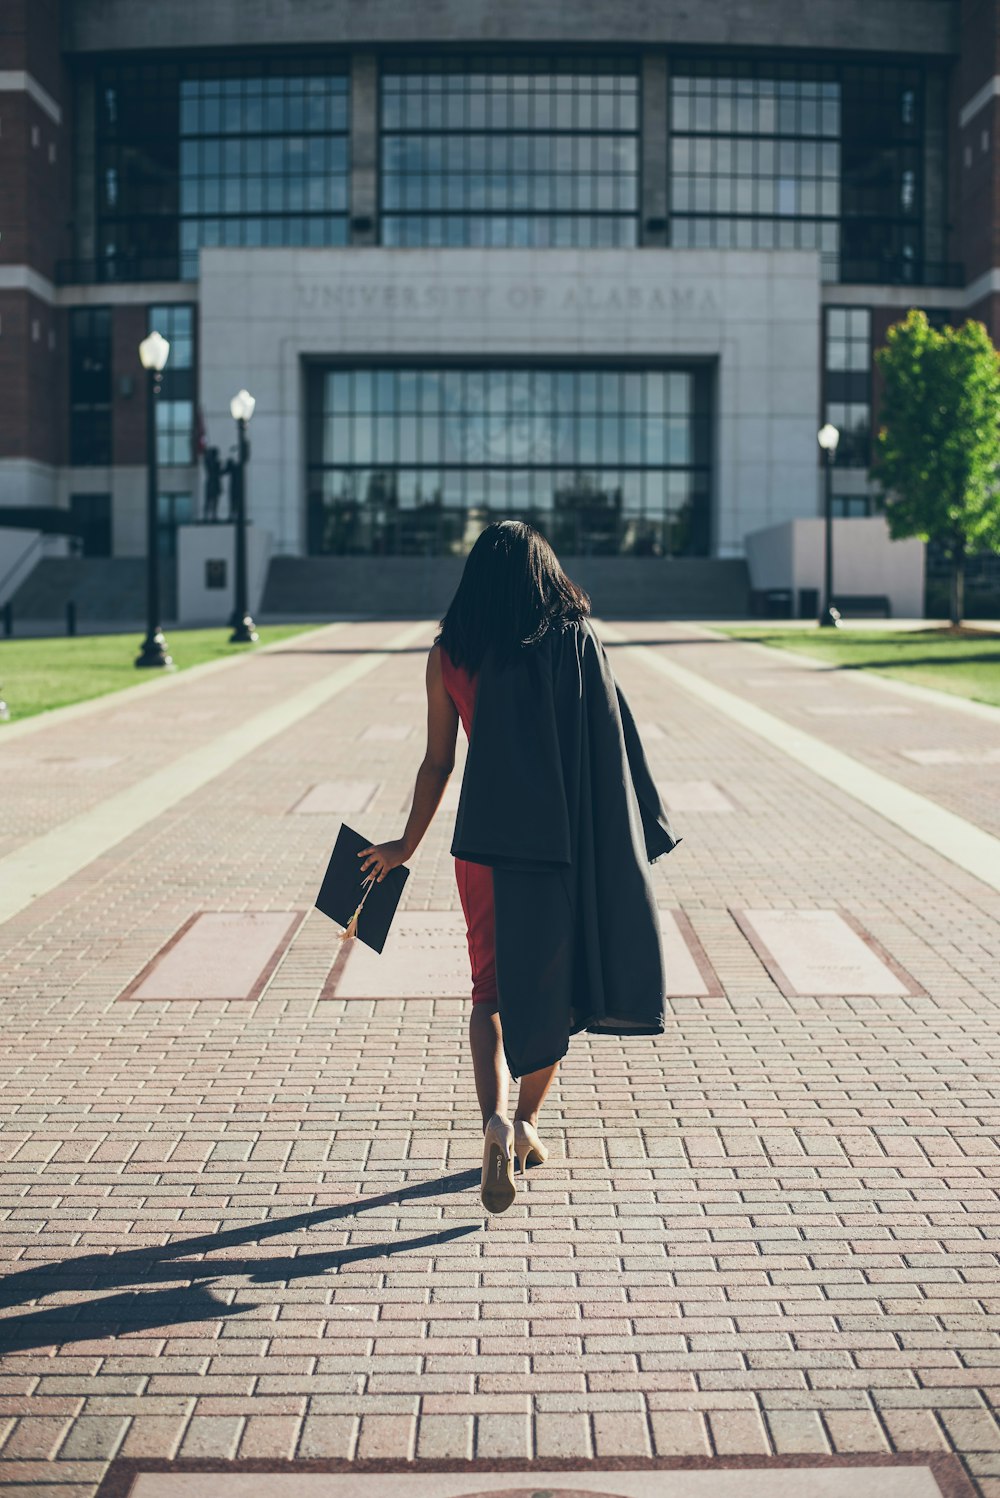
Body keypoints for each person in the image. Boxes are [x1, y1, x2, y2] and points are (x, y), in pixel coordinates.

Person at [358, 521, 680, 1214]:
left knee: (490, 992)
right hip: (557, 847)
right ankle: (530, 1121)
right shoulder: (575, 644)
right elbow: (609, 743)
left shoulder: (451, 655)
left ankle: (495, 1120)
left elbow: (438, 762)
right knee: (550, 990)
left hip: (486, 847)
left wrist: (403, 847)